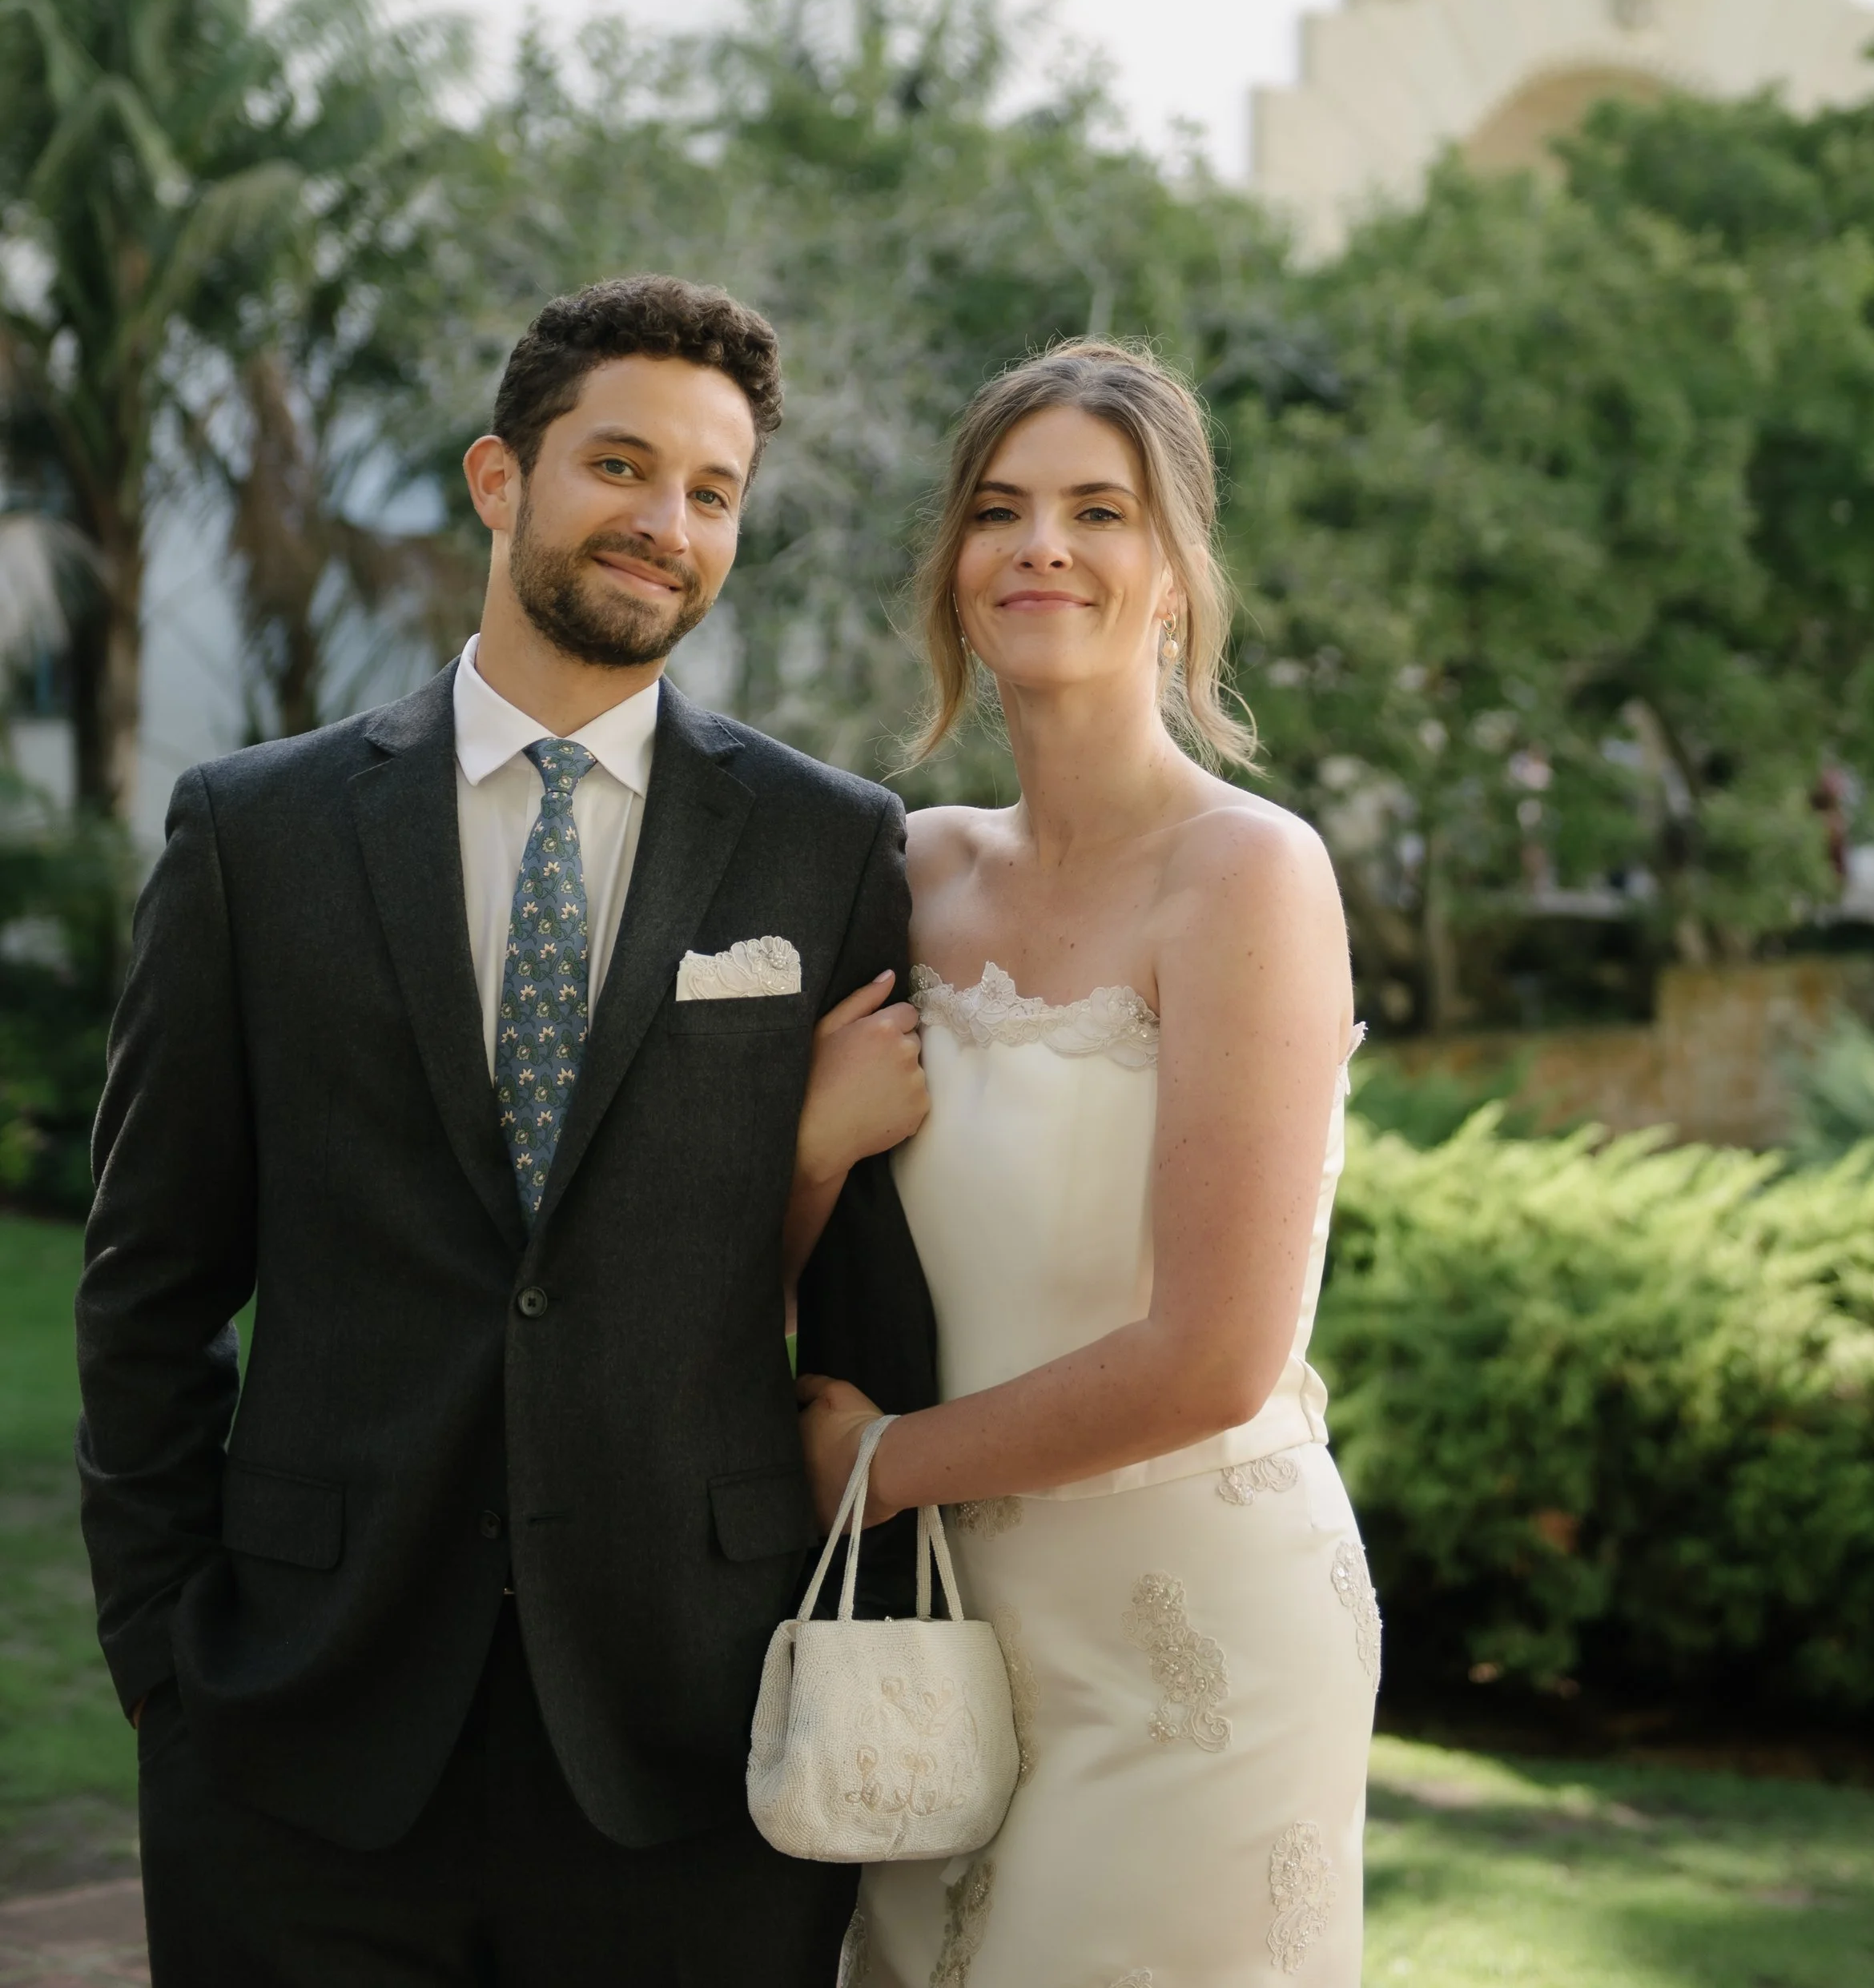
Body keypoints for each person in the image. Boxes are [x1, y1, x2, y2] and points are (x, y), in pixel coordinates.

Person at [75, 275, 935, 1988]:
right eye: (620, 466)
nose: (664, 525)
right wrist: (168, 1673)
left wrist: (849, 1664)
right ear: (498, 479)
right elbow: (149, 1287)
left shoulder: (826, 851)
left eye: (711, 492)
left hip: (694, 1749)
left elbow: (869, 1326)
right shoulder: (258, 835)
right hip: (298, 1739)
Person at [794, 340, 1375, 1988]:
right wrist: (812, 1148)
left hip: (1190, 1640)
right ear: (955, 577)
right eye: (999, 510)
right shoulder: (903, 872)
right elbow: (767, 1238)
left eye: (1096, 511)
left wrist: (875, 1465)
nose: (1040, 544)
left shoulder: (1248, 874)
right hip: (926, 1644)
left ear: (1176, 577)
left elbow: (1213, 1354)